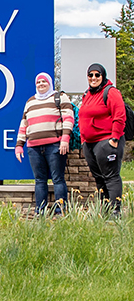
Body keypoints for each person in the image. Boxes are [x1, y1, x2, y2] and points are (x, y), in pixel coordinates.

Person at [15, 72, 74, 215]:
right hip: (33, 147)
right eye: (38, 82)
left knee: (58, 179)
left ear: (50, 83)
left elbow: (68, 118)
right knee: (39, 180)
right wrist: (19, 145)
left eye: (44, 82)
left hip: (54, 145)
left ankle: (60, 211)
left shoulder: (59, 97)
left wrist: (65, 139)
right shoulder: (30, 102)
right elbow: (24, 124)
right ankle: (40, 211)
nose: (41, 84)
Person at [79, 63, 126, 215]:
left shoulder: (110, 92)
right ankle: (105, 210)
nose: (93, 78)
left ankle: (115, 211)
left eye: (97, 75)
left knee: (111, 177)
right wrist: (83, 140)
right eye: (90, 75)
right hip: (90, 143)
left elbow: (119, 116)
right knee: (99, 178)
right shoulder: (87, 94)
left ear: (102, 76)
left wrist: (114, 139)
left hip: (106, 141)